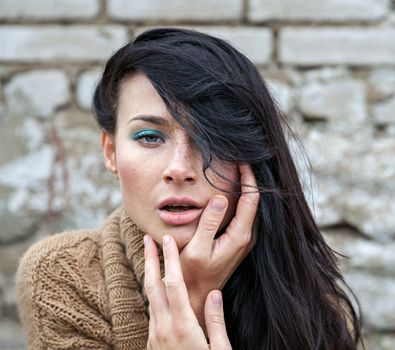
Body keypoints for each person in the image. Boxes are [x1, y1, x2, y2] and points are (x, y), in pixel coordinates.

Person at [16, 28, 361, 350]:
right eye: (149, 137)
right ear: (111, 152)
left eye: (212, 140)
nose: (179, 169)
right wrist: (193, 299)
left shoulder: (307, 298)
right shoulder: (60, 274)